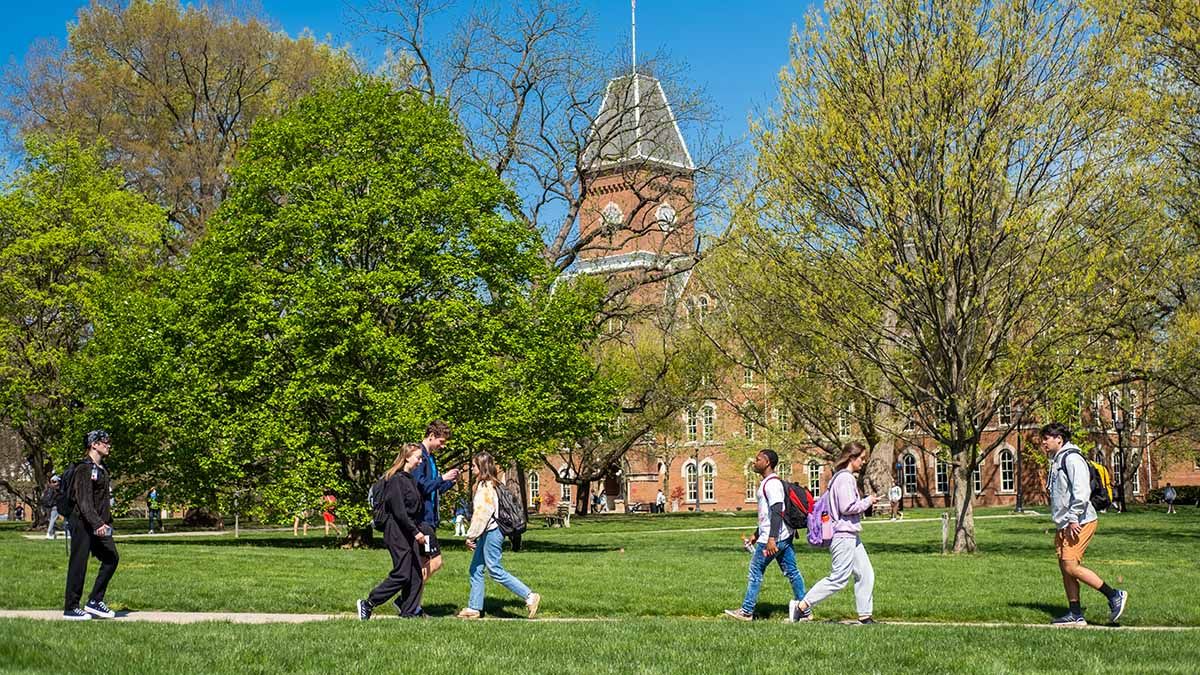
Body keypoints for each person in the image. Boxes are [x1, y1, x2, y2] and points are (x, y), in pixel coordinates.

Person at [1041, 422, 1128, 626]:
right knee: (1065, 567)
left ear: (1059, 439)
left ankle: (1114, 594)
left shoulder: (1072, 458)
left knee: (1071, 566)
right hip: (1065, 523)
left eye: (1046, 438)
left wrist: (1073, 517)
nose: (1043, 442)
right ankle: (1075, 614)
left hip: (1079, 521)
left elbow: (1081, 492)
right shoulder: (1058, 459)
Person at [793, 441, 878, 624]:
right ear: (852, 458)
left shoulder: (840, 478)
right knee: (838, 578)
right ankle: (801, 606)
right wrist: (868, 501)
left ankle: (865, 616)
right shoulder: (845, 478)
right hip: (843, 534)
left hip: (850, 535)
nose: (863, 462)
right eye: (861, 459)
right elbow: (847, 507)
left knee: (866, 573)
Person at [724, 449, 807, 622]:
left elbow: (777, 511)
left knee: (755, 570)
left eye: (758, 459)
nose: (755, 462)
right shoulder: (767, 483)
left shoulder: (772, 484)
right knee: (792, 572)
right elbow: (767, 515)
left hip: (773, 539)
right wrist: (755, 534)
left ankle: (746, 611)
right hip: (781, 536)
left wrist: (771, 539)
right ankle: (806, 611)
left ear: (768, 462)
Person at [457, 451, 540, 619]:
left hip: (492, 532)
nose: (471, 469)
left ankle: (530, 596)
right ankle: (474, 608)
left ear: (482, 467)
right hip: (490, 532)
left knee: (494, 569)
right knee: (475, 569)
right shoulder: (493, 484)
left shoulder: (484, 486)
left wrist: (471, 536)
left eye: (473, 466)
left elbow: (482, 513)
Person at [358, 443, 427, 620]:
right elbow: (399, 511)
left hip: (409, 529)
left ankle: (409, 611)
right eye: (418, 457)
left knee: (416, 574)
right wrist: (415, 532)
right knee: (403, 573)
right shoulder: (395, 480)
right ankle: (369, 603)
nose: (420, 461)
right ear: (407, 457)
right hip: (396, 531)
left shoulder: (410, 479)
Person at [63, 430, 120, 620]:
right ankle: (71, 607)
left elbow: (100, 502)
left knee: (111, 557)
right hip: (82, 522)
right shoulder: (84, 468)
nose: (108, 445)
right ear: (94, 444)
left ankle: (95, 601)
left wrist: (104, 523)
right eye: (105, 441)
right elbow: (84, 501)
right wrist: (97, 523)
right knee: (79, 563)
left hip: (98, 524)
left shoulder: (102, 469)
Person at [411, 420, 461, 587]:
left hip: (430, 519)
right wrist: (442, 478)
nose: (443, 446)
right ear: (431, 436)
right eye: (442, 441)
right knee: (436, 561)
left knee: (424, 562)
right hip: (422, 520)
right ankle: (406, 597)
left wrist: (450, 482)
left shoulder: (430, 458)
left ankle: (413, 605)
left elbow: (434, 490)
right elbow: (421, 486)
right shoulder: (420, 457)